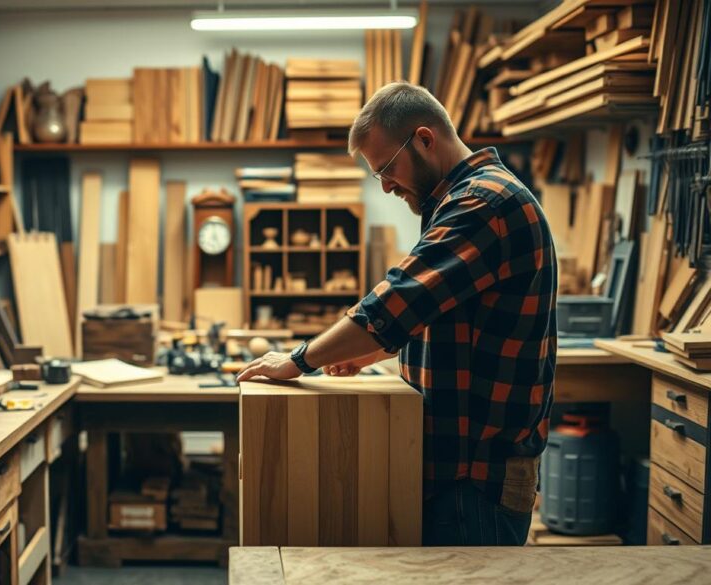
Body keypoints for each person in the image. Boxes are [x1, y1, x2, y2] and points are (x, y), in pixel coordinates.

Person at [236, 82, 557, 546]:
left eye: (386, 167)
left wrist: (299, 359)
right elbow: (440, 314)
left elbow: (396, 303)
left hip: (475, 481)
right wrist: (372, 353)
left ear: (425, 139)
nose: (384, 185)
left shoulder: (484, 204)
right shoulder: (464, 199)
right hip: (460, 471)